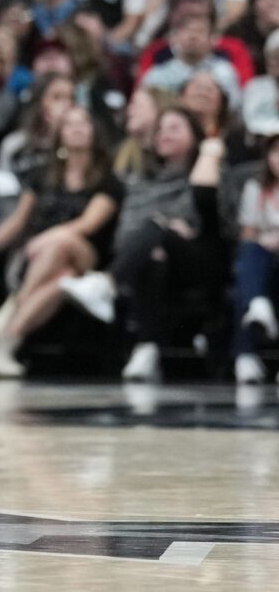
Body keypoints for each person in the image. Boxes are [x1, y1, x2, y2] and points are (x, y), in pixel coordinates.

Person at [0, 108, 124, 378]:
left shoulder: (108, 180)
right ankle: (5, 346)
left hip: (87, 257)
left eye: (83, 123)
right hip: (42, 262)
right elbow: (17, 221)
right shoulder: (43, 175)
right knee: (62, 278)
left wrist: (47, 237)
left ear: (95, 132)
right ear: (60, 134)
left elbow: (88, 224)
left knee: (62, 243)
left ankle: (13, 308)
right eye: (70, 124)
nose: (77, 129)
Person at [112, 105, 225, 382]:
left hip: (203, 261)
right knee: (154, 252)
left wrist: (208, 153)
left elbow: (206, 211)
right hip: (155, 259)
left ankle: (108, 284)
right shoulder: (144, 179)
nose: (165, 134)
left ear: (194, 136)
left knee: (157, 226)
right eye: (161, 129)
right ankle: (147, 349)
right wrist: (167, 227)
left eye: (174, 128)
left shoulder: (212, 168)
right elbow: (127, 229)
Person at [232, 135, 279, 384]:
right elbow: (248, 231)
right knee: (250, 253)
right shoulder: (256, 187)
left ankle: (257, 303)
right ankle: (246, 354)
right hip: (263, 256)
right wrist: (264, 239)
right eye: (275, 152)